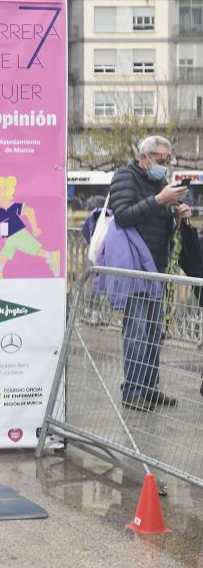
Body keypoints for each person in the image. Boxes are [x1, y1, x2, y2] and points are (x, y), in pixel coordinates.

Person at [109, 135, 189, 411]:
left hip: (156, 267)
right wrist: (159, 200)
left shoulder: (159, 183)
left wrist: (176, 214)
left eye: (168, 160)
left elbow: (161, 226)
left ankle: (149, 387)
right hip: (134, 267)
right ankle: (131, 391)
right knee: (137, 330)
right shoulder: (124, 177)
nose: (164, 165)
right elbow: (122, 215)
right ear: (144, 157)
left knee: (154, 332)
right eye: (160, 159)